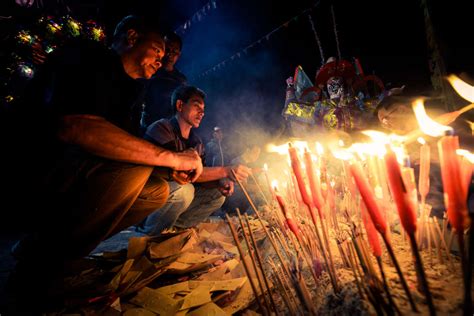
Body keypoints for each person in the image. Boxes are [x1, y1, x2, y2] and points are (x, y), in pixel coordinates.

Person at [6, 15, 203, 308]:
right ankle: (37, 272)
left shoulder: (130, 93)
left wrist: (170, 167)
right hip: (32, 169)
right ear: (132, 37)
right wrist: (170, 156)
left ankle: (50, 249)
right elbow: (77, 126)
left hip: (75, 175)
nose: (161, 62)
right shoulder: (87, 56)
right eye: (157, 52)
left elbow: (127, 147)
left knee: (156, 191)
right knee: (132, 173)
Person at [138, 85, 252, 235]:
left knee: (217, 195)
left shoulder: (196, 142)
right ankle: (149, 232)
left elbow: (198, 178)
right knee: (184, 190)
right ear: (180, 105)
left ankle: (174, 231)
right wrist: (226, 170)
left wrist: (220, 182)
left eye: (203, 108)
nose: (202, 112)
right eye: (196, 105)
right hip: (149, 199)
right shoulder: (162, 128)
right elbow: (182, 173)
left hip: (175, 199)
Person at [140, 31, 187, 129]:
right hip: (147, 126)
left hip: (169, 129)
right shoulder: (150, 70)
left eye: (174, 51)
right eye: (168, 49)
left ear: (179, 54)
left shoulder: (181, 80)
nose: (170, 54)